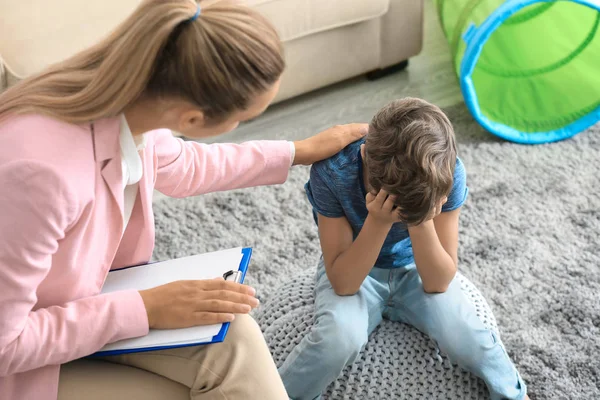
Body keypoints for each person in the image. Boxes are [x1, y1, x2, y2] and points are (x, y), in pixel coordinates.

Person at [0, 1, 367, 399]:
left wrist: (298, 151)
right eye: (243, 117)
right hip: (22, 361)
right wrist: (147, 308)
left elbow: (184, 164)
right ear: (191, 120)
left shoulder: (127, 101)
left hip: (78, 303)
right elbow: (6, 345)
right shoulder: (41, 178)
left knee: (230, 328)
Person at [279, 98, 530, 400]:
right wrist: (378, 221)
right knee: (336, 341)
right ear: (365, 155)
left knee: (469, 338)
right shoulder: (333, 172)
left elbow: (438, 282)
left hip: (416, 269)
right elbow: (343, 284)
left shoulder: (447, 173)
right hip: (355, 269)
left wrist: (420, 218)